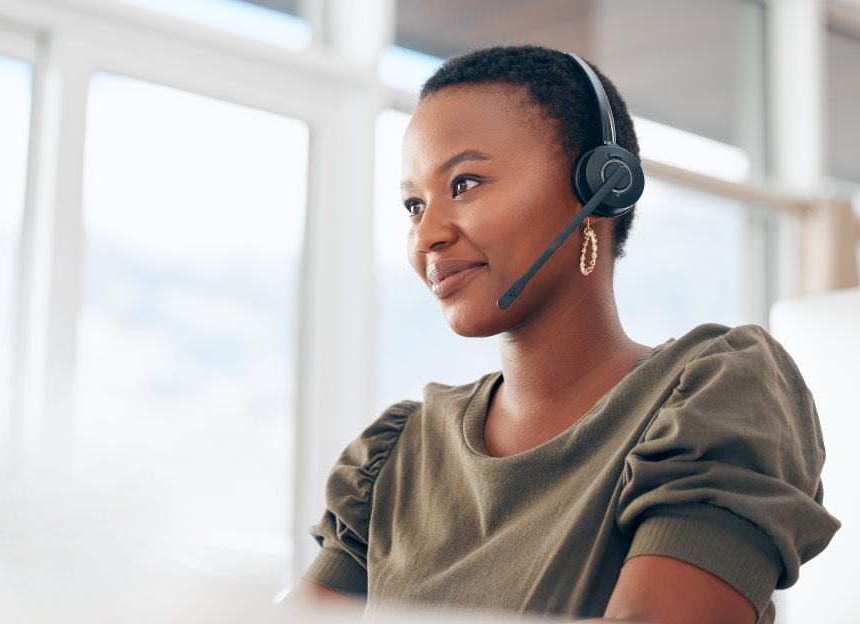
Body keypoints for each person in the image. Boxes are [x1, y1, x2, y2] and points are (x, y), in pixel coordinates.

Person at [281, 46, 839, 623]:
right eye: (415, 205)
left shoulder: (718, 397)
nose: (428, 236)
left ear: (600, 184)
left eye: (465, 183)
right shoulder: (396, 454)